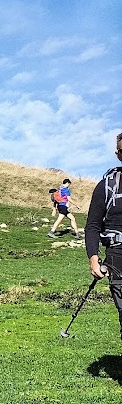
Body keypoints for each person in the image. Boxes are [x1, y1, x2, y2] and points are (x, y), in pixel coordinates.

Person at [85, 133, 122, 339]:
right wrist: (93, 258)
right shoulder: (107, 186)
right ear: (118, 154)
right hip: (117, 256)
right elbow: (92, 226)